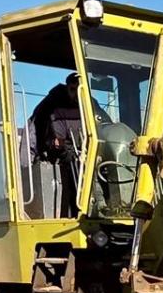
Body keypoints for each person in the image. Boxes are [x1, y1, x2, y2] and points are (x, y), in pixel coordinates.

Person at [30, 73, 111, 216]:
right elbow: (56, 141)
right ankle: (83, 210)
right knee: (78, 166)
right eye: (73, 90)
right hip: (67, 156)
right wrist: (67, 150)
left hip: (93, 153)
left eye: (79, 90)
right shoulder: (56, 111)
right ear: (67, 89)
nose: (76, 94)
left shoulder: (93, 107)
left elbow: (107, 127)